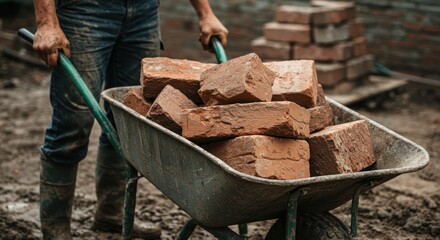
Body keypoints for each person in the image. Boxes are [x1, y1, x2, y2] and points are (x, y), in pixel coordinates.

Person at [31, 0, 228, 239]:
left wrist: (205, 13)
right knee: (73, 125)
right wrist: (46, 22)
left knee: (128, 118)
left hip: (143, 13)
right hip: (83, 11)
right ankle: (55, 230)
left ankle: (111, 214)